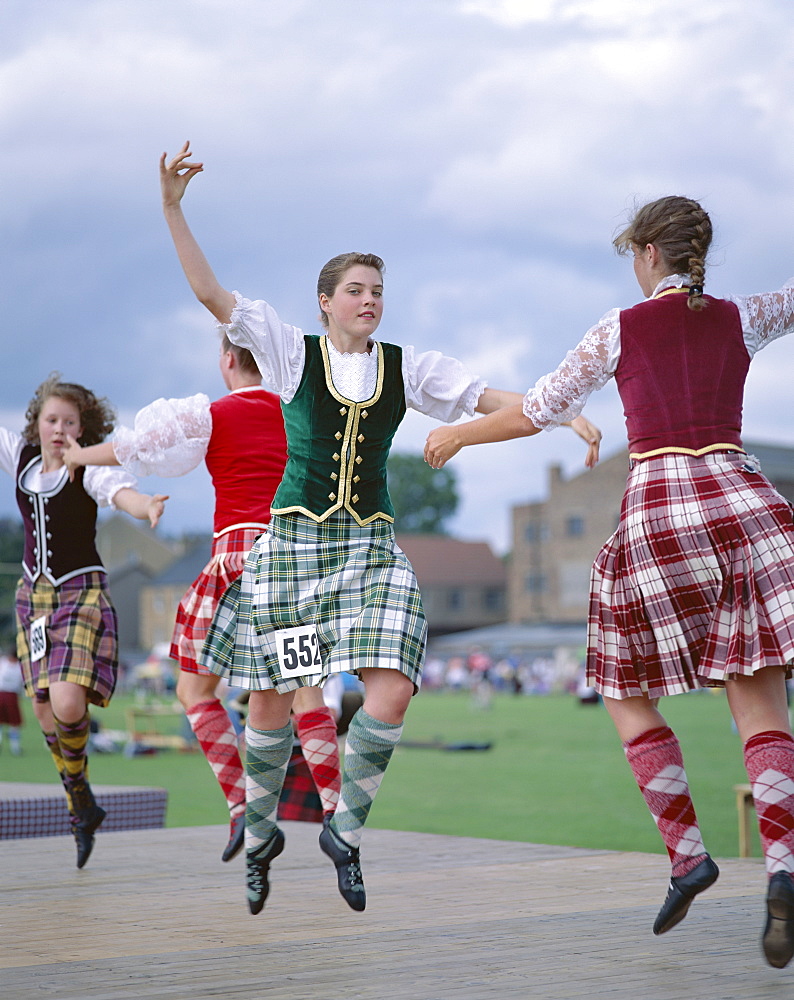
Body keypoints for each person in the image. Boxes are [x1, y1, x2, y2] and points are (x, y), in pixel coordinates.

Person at [158, 142, 600, 915]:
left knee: (393, 689)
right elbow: (210, 293)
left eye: (377, 291)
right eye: (357, 290)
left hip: (370, 548)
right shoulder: (290, 352)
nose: (370, 300)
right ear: (325, 301)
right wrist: (173, 206)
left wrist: (563, 410)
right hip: (293, 549)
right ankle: (260, 839)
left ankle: (345, 833)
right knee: (270, 706)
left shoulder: (407, 366)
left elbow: (488, 396)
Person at [424, 195, 794, 968]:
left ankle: (688, 854)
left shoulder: (616, 330)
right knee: (759, 700)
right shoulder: (746, 316)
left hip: (659, 507)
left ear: (650, 255)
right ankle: (786, 870)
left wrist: (460, 430)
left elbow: (535, 411)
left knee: (623, 687)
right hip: (745, 503)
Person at [63, 338, 343, 864]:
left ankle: (242, 808)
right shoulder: (301, 415)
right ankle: (336, 816)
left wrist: (79, 455)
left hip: (236, 559)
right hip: (292, 563)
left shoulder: (212, 415)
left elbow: (134, 449)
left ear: (228, 361)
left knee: (194, 689)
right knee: (307, 693)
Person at [1, 374, 167, 867]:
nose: (59, 429)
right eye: (51, 420)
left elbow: (120, 492)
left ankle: (79, 799)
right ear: (37, 423)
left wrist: (145, 507)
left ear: (82, 428)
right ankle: (81, 802)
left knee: (69, 702)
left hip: (79, 593)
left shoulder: (89, 469)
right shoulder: (21, 459)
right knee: (45, 711)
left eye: (69, 422)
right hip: (33, 596)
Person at [0, 648, 24, 755]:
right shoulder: (19, 667)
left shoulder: (5, 663)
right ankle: (15, 747)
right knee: (13, 723)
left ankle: (15, 747)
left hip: (9, 695)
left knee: (13, 723)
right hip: (7, 695)